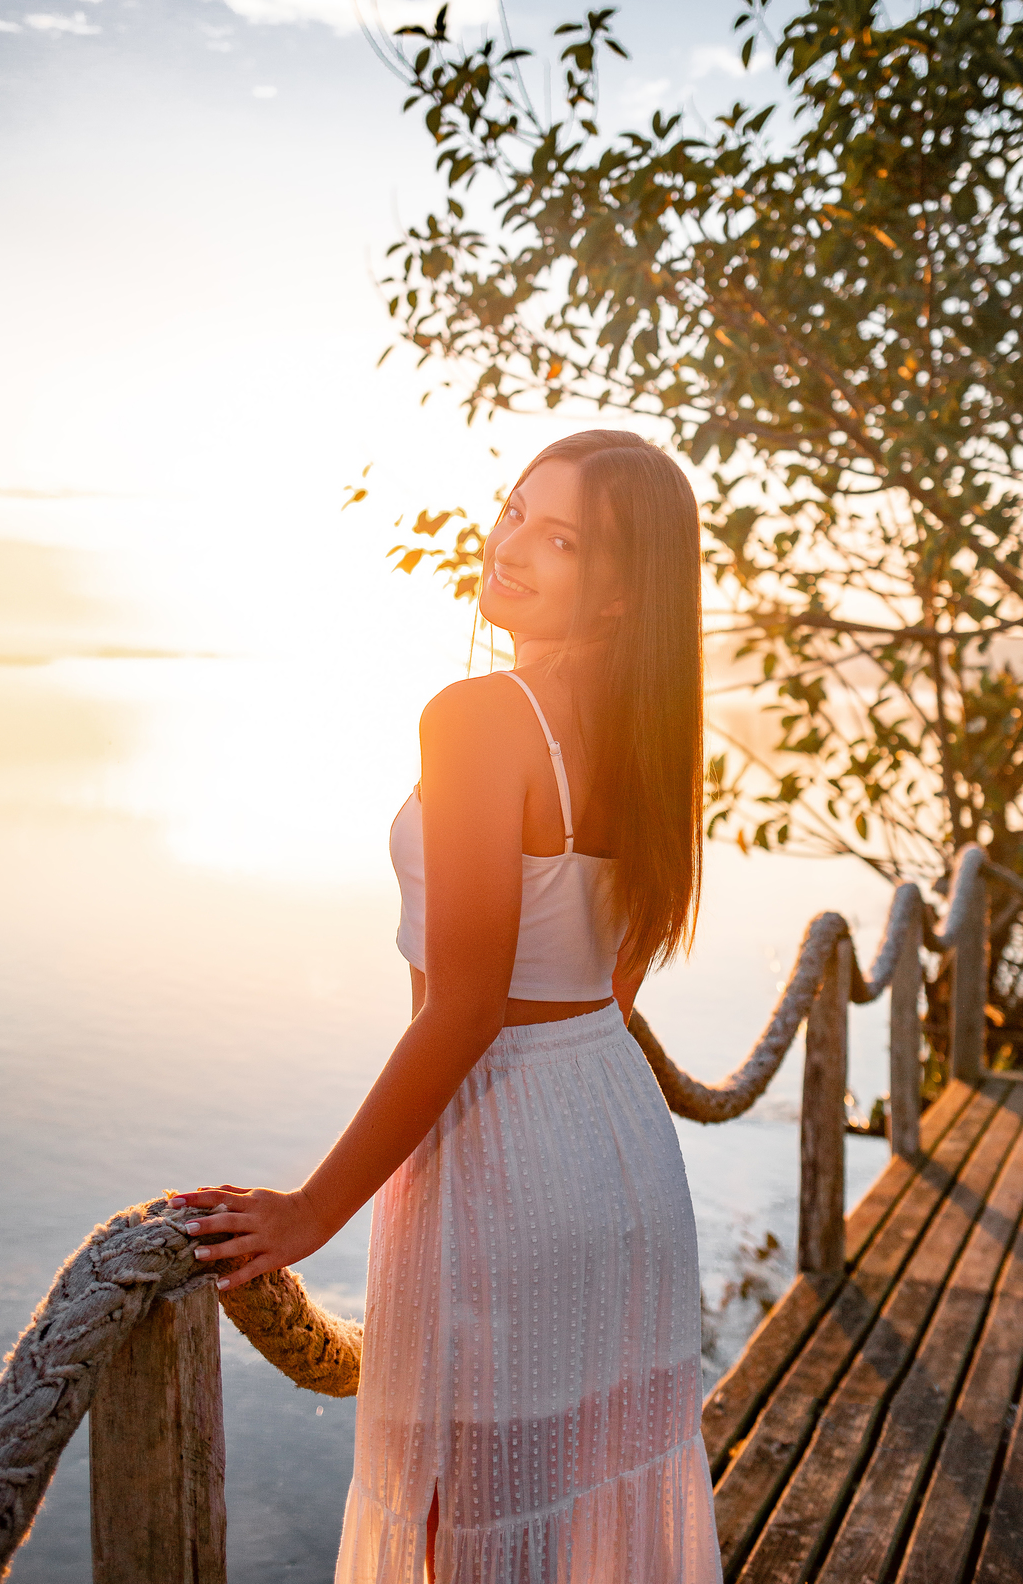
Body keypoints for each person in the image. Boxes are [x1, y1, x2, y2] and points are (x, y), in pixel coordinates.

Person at [173, 429, 723, 1583]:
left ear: (621, 592)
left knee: (459, 1530)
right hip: (618, 1146)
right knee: (578, 1510)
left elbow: (465, 1010)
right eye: (516, 509)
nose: (511, 544)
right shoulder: (654, 728)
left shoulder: (479, 717)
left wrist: (309, 1213)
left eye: (561, 538)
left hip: (497, 1152)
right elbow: (613, 982)